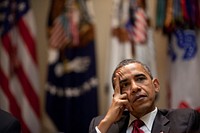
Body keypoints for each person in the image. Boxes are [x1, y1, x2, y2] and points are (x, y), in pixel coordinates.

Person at [89, 59, 200, 133]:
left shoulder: (184, 120)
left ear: (155, 85)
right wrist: (107, 122)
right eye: (125, 84)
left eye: (140, 79)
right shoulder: (103, 126)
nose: (134, 88)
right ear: (117, 97)